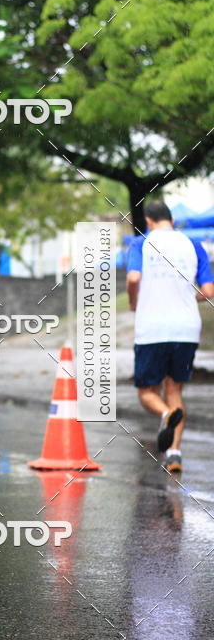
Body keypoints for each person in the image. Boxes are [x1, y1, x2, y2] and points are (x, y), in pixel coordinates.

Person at [126, 200, 214, 474]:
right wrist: (188, 296)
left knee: (146, 393)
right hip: (186, 329)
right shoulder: (193, 245)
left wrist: (133, 301)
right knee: (174, 390)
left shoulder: (140, 243)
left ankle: (166, 414)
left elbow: (133, 278)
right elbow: (209, 291)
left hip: (152, 328)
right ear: (171, 220)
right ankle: (174, 454)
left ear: (149, 221)